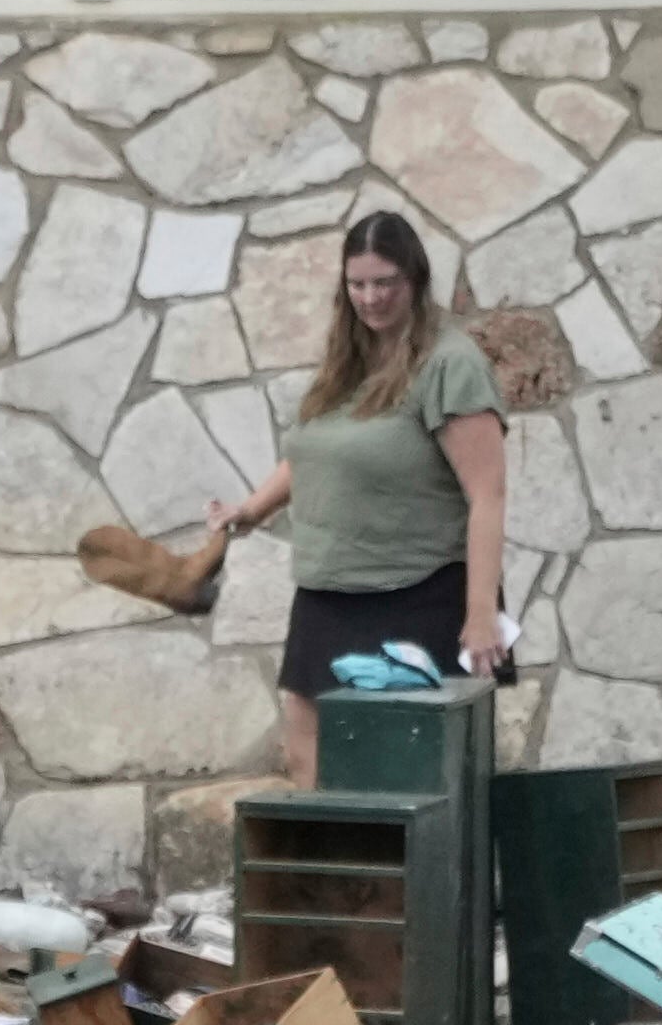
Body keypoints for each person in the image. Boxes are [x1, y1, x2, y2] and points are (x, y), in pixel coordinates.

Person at [197, 203, 519, 694]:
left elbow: (488, 495)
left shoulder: (451, 363)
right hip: (328, 597)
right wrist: (252, 509)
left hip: (421, 597)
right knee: (308, 760)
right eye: (358, 285)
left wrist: (481, 617)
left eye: (385, 282)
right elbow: (316, 454)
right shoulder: (348, 359)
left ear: (414, 277)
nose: (371, 298)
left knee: (402, 765)